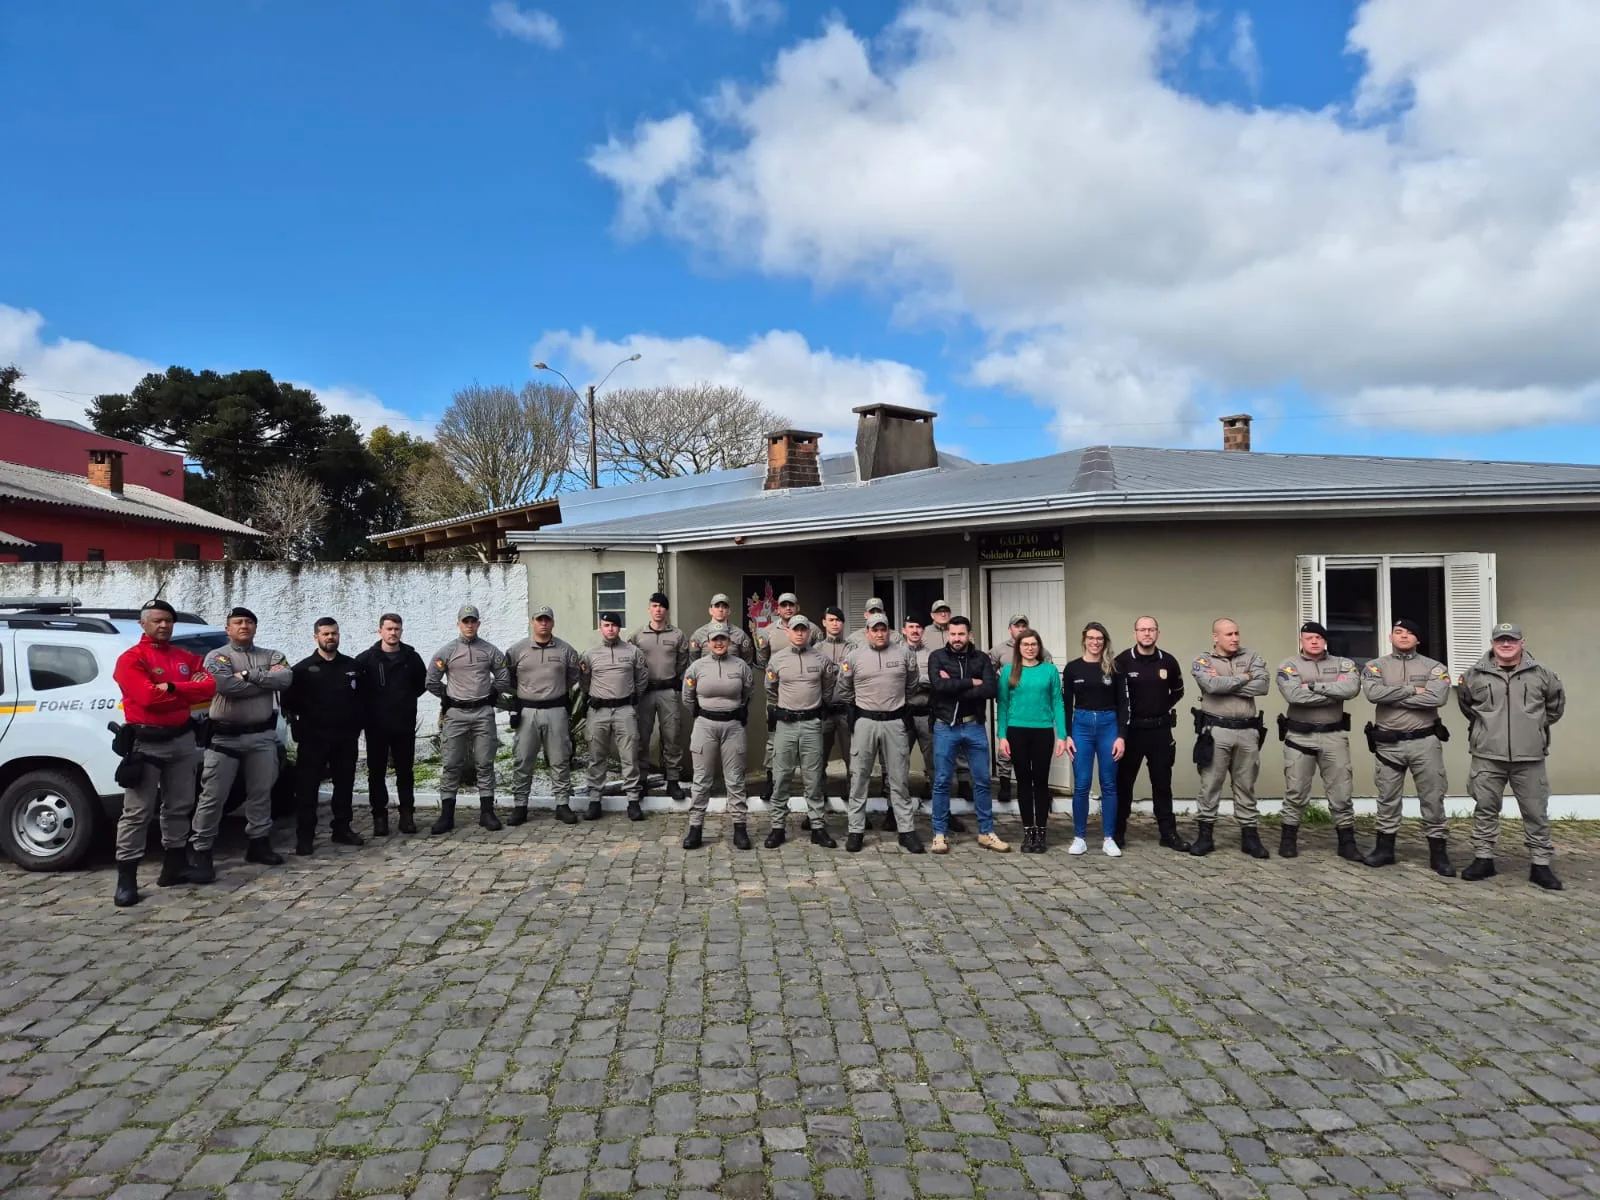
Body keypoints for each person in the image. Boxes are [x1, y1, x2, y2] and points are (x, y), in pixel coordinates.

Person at [109, 599, 218, 907]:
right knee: (137, 812)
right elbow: (146, 697)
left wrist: (169, 687)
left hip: (182, 740)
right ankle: (126, 879)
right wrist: (183, 689)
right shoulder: (132, 658)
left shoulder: (185, 656)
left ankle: (174, 866)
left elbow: (210, 687)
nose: (163, 625)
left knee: (180, 805)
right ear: (143, 624)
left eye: (168, 620)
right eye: (156, 620)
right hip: (146, 742)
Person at [1457, 622, 1565, 890]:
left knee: (1536, 812)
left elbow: (1554, 708)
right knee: (1485, 808)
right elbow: (1468, 707)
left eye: (1512, 640)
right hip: (1487, 754)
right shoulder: (1474, 675)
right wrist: (1488, 730)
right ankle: (1484, 858)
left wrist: (1532, 728)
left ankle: (1540, 864)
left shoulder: (1543, 674)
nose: (1506, 645)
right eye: (1500, 640)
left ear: (1522, 642)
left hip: (1529, 756)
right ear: (1493, 643)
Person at [193, 607, 293, 879]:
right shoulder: (217, 656)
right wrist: (264, 680)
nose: (244, 626)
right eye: (238, 622)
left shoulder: (271, 655)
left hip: (261, 737)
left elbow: (285, 679)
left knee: (261, 793)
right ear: (228, 629)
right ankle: (202, 849)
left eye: (249, 622)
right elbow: (225, 686)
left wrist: (248, 675)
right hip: (225, 737)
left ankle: (258, 843)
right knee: (213, 796)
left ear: (256, 627)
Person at [1359, 618, 1454, 874]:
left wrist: (1395, 696)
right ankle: (1384, 849)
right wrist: (1415, 690)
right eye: (1398, 632)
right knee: (1387, 797)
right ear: (1390, 637)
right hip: (1389, 743)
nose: (1403, 636)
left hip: (1425, 742)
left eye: (1410, 632)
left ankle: (1439, 854)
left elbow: (1438, 697)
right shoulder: (1374, 666)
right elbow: (1374, 695)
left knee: (1433, 797)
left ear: (1418, 640)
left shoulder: (1434, 667)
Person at [838, 613, 925, 854]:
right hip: (865, 721)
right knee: (859, 777)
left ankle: (906, 831)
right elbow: (844, 689)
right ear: (866, 632)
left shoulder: (904, 654)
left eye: (883, 629)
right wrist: (862, 706)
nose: (879, 633)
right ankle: (855, 831)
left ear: (889, 631)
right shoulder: (853, 657)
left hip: (895, 722)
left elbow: (912, 684)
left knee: (899, 778)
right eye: (874, 629)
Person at [1275, 621, 1361, 862]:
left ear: (1325, 640)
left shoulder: (1343, 664)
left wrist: (1311, 686)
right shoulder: (1289, 665)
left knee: (1342, 792)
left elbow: (1351, 689)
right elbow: (1293, 695)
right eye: (1309, 637)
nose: (1314, 641)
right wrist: (1331, 692)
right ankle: (1288, 839)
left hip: (1333, 736)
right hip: (1299, 736)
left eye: (1318, 638)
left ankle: (1347, 842)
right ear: (1301, 640)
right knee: (1295, 790)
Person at [284, 618, 369, 857]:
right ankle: (305, 837)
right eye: (325, 634)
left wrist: (357, 726)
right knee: (307, 789)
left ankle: (341, 828)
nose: (330, 637)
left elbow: (364, 700)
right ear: (316, 637)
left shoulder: (352, 667)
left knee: (344, 785)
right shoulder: (302, 669)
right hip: (314, 739)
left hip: (344, 738)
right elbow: (289, 704)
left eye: (333, 633)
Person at [425, 605, 511, 835]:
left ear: (478, 624)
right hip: (456, 714)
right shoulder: (447, 652)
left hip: (483, 712)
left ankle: (487, 812)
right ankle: (446, 815)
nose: (469, 625)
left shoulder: (489, 651)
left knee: (485, 762)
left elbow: (503, 675)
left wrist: (493, 694)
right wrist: (448, 697)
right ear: (458, 624)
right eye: (465, 621)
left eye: (473, 621)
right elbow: (431, 680)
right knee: (451, 763)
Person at [1189, 618, 1270, 859]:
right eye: (1229, 634)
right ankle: (1205, 836)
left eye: (1236, 633)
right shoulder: (1202, 660)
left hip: (1247, 731)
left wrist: (1227, 683)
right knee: (1210, 783)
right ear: (1216, 637)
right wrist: (1245, 678)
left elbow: (1263, 686)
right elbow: (1211, 686)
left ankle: (1250, 837)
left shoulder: (1252, 657)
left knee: (1245, 784)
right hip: (1216, 730)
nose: (1235, 638)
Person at [763, 615, 838, 848]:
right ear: (788, 632)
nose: (799, 634)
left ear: (809, 632)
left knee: (813, 778)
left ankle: (817, 826)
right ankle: (777, 827)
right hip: (786, 724)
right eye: (795, 629)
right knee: (781, 776)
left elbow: (828, 688)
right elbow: (771, 689)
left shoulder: (821, 659)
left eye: (803, 630)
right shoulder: (777, 660)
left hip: (811, 724)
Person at [1113, 616, 1187, 851]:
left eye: (1151, 629)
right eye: (1142, 630)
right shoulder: (1122, 661)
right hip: (1131, 731)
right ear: (1135, 633)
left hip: (1160, 731)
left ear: (1157, 633)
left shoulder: (1169, 661)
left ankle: (1168, 833)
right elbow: (1115, 698)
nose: (1147, 634)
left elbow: (1177, 692)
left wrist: (1157, 708)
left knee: (1162, 783)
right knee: (1124, 783)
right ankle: (1117, 833)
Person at [928, 616, 1001, 852]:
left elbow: (990, 688)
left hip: (974, 726)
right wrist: (971, 682)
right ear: (947, 634)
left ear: (969, 635)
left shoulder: (981, 658)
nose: (957, 639)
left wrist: (957, 688)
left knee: (981, 781)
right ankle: (939, 834)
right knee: (941, 781)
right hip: (945, 725)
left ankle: (986, 832)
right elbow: (939, 687)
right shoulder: (937, 657)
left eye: (961, 634)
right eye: (953, 634)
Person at [504, 606, 581, 826]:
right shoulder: (517, 650)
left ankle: (562, 804)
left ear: (553, 623)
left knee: (560, 759)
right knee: (523, 759)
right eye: (539, 620)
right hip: (528, 712)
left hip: (556, 710)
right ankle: (520, 806)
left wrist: (555, 691)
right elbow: (507, 677)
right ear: (532, 622)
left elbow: (573, 676)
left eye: (547, 620)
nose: (543, 623)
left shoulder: (566, 651)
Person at [681, 623, 755, 850]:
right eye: (715, 639)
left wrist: (734, 710)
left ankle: (740, 828)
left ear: (729, 641)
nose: (719, 643)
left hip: (733, 726)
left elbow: (748, 693)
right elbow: (688, 697)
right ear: (707, 642)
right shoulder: (696, 667)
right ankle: (695, 828)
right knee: (702, 779)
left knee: (735, 779)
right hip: (705, 725)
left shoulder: (741, 666)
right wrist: (703, 713)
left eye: (723, 639)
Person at [356, 613, 427, 836]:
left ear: (401, 631)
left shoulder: (411, 657)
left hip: (404, 724)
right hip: (375, 725)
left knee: (405, 771)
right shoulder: (366, 659)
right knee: (376, 773)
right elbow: (357, 688)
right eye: (389, 629)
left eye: (397, 628)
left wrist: (404, 702)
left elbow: (421, 684)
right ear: (380, 632)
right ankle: (379, 817)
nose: (393, 632)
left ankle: (407, 815)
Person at [1062, 622, 1128, 857]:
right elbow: (1066, 704)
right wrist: (1067, 734)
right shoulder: (1072, 668)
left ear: (1105, 641)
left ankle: (1109, 838)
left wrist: (1121, 736)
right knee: (1081, 784)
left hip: (1108, 724)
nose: (1095, 642)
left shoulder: (1114, 668)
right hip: (1081, 726)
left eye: (1099, 638)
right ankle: (1079, 837)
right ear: (1084, 640)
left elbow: (1123, 704)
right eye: (1091, 638)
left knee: (1109, 784)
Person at [996, 629, 1065, 854]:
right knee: (1024, 783)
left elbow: (1058, 704)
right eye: (1025, 644)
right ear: (1019, 647)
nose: (1029, 648)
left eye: (1033, 644)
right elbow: (1003, 706)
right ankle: (1028, 832)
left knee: (1041, 783)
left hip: (1042, 731)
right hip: (1017, 731)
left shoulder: (1050, 670)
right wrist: (1002, 736)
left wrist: (1062, 735)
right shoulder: (1009, 671)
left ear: (1039, 646)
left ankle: (1042, 832)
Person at [579, 611, 650, 821]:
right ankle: (594, 800)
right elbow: (584, 682)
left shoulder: (633, 652)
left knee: (629, 756)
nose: (610, 629)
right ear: (601, 627)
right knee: (596, 756)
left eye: (614, 625)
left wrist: (630, 697)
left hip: (624, 710)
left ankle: (633, 801)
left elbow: (642, 678)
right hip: (598, 711)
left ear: (620, 628)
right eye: (606, 625)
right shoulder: (590, 654)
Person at [755, 591, 819, 802]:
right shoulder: (767, 632)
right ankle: (771, 779)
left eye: (792, 605)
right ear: (778, 609)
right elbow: (764, 662)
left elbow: (818, 658)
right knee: (774, 739)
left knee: (809, 745)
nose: (788, 608)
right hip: (779, 694)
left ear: (797, 607)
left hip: (806, 692)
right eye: (784, 605)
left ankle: (809, 786)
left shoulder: (813, 630)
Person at [630, 593, 691, 801]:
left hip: (668, 691)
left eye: (662, 607)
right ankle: (642, 780)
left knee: (672, 735)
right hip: (645, 693)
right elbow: (632, 662)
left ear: (667, 610)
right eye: (655, 606)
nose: (658, 610)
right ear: (649, 609)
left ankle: (673, 780)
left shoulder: (677, 635)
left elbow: (683, 662)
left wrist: (673, 682)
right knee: (641, 736)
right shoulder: (638, 635)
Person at [989, 614, 1051, 806]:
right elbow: (987, 671)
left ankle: (1038, 787)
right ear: (1010, 629)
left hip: (1035, 709)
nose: (1020, 629)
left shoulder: (1040, 651)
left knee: (1035, 754)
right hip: (1010, 703)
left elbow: (1047, 674)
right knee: (1007, 746)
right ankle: (1005, 783)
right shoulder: (999, 650)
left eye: (1024, 625)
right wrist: (999, 685)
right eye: (1017, 626)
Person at [815, 607, 854, 814]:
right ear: (824, 622)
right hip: (823, 712)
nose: (835, 624)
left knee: (853, 760)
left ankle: (855, 807)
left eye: (839, 620)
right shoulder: (816, 649)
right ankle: (816, 804)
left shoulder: (853, 648)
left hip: (846, 711)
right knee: (818, 760)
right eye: (831, 620)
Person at [689, 594, 755, 665]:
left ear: (729, 611)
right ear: (710, 610)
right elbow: (694, 664)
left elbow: (747, 664)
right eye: (717, 606)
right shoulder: (699, 635)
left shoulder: (740, 635)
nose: (720, 610)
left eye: (724, 607)